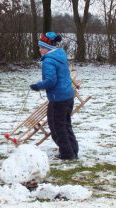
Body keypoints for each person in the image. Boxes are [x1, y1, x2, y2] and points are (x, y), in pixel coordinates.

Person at [30, 32, 80, 160]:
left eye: (41, 47)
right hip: (68, 96)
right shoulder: (60, 55)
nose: (39, 50)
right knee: (65, 124)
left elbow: (51, 81)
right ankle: (73, 150)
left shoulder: (49, 61)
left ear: (48, 47)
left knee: (57, 127)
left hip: (59, 99)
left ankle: (67, 154)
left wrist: (38, 86)